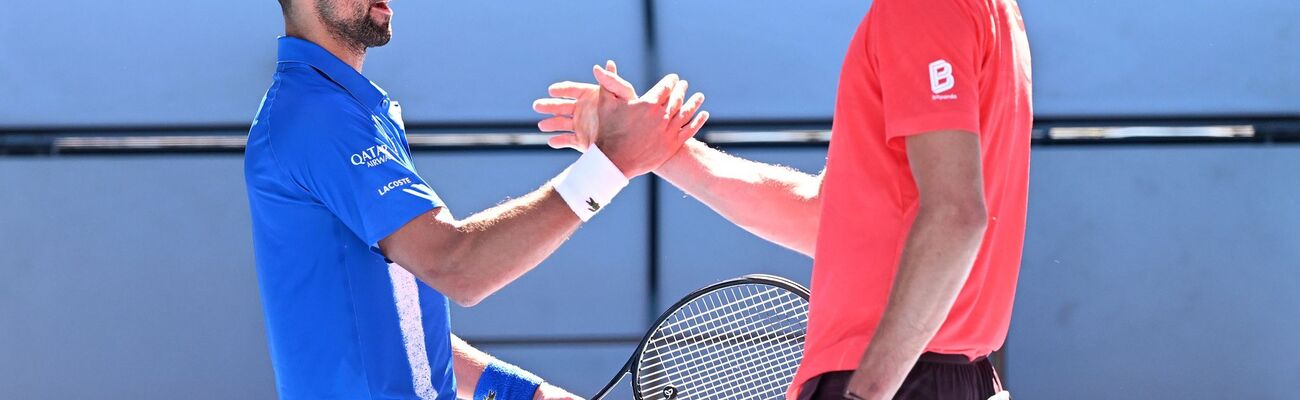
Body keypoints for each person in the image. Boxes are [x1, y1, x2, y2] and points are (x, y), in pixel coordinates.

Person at [535, 0, 1033, 398]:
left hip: (894, 377)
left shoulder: (924, 6)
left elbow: (956, 215)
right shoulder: (989, 14)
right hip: (939, 375)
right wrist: (652, 151)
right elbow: (829, 220)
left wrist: (867, 393)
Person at [243, 0, 707, 398]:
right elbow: (457, 267)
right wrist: (612, 162)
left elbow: (389, 320)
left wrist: (521, 392)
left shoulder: (337, 105)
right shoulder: (318, 116)